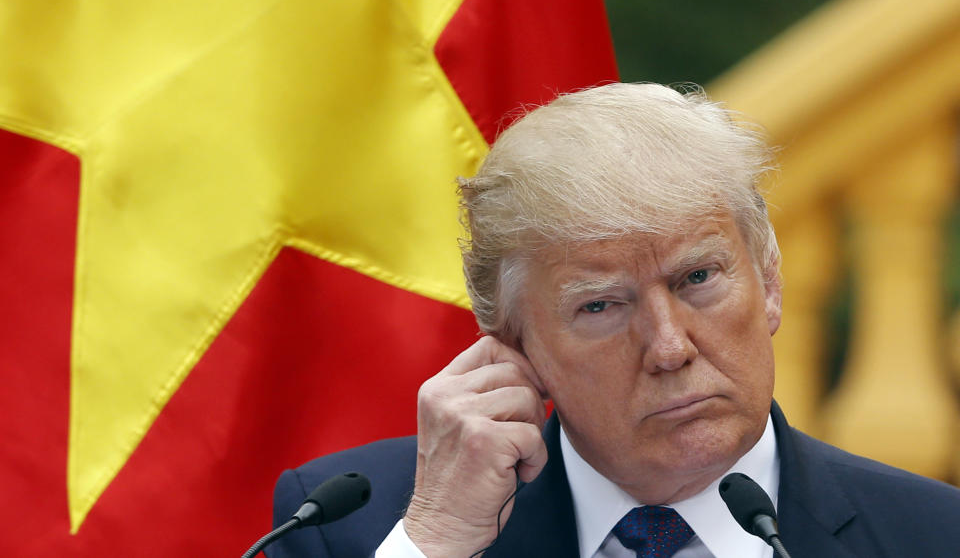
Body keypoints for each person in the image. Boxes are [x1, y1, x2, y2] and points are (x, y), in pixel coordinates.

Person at [268, 83, 960, 557]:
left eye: (698, 278)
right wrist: (440, 537)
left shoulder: (931, 536)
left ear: (771, 280)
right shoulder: (353, 523)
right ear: (515, 344)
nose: (668, 346)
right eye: (601, 305)